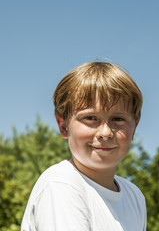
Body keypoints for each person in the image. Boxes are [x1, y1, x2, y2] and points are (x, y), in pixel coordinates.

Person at [21, 62, 147, 231]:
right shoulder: (61, 184)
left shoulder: (134, 197)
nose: (105, 132)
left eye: (118, 119)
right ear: (63, 126)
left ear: (134, 128)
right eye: (90, 118)